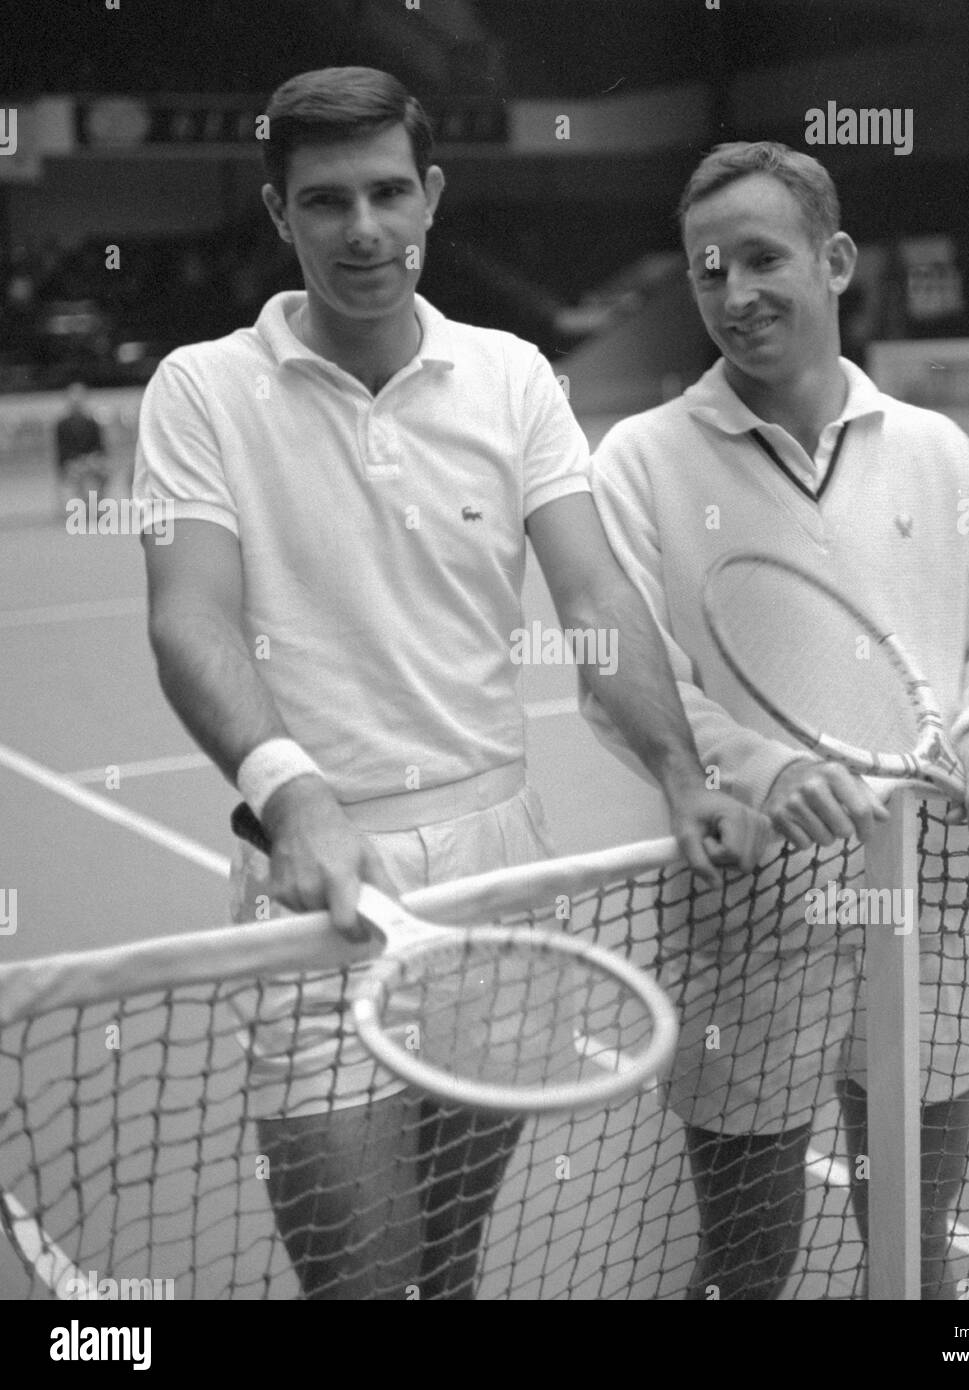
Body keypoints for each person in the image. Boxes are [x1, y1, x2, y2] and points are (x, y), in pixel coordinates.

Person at [132, 69, 766, 1301]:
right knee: (365, 1286)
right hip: (313, 876)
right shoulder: (200, 390)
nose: (361, 230)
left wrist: (681, 773)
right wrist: (291, 794)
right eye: (325, 201)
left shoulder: (513, 376)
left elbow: (591, 598)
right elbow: (189, 617)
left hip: (495, 866)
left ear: (429, 196)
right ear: (279, 214)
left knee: (450, 1271)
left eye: (384, 193)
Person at [583, 141, 969, 1300]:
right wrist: (752, 767)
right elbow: (616, 675)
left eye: (761, 258)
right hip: (746, 913)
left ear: (835, 259)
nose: (733, 292)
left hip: (925, 901)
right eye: (708, 269)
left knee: (913, 1251)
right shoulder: (640, 460)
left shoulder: (932, 449)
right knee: (744, 1263)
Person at [55, 380, 110, 517]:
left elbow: (100, 446)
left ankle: (96, 503)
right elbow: (62, 450)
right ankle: (85, 504)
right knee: (78, 474)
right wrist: (78, 460)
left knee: (104, 472)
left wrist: (93, 458)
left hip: (91, 461)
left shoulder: (92, 423)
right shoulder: (62, 425)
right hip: (73, 463)